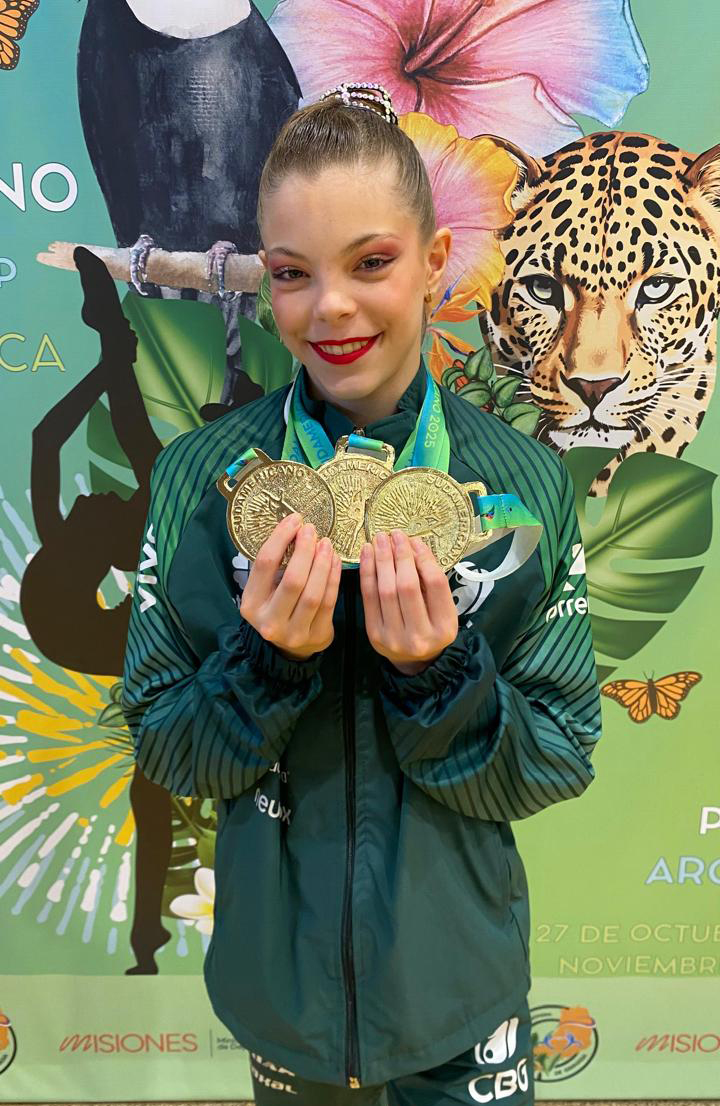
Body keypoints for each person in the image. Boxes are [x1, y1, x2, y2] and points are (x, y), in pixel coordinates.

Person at [121, 82, 602, 1106]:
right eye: (293, 273)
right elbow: (166, 747)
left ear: (435, 262)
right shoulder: (201, 480)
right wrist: (263, 666)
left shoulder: (522, 487)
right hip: (281, 992)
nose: (330, 307)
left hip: (462, 989)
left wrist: (443, 676)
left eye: (371, 262)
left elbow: (558, 754)